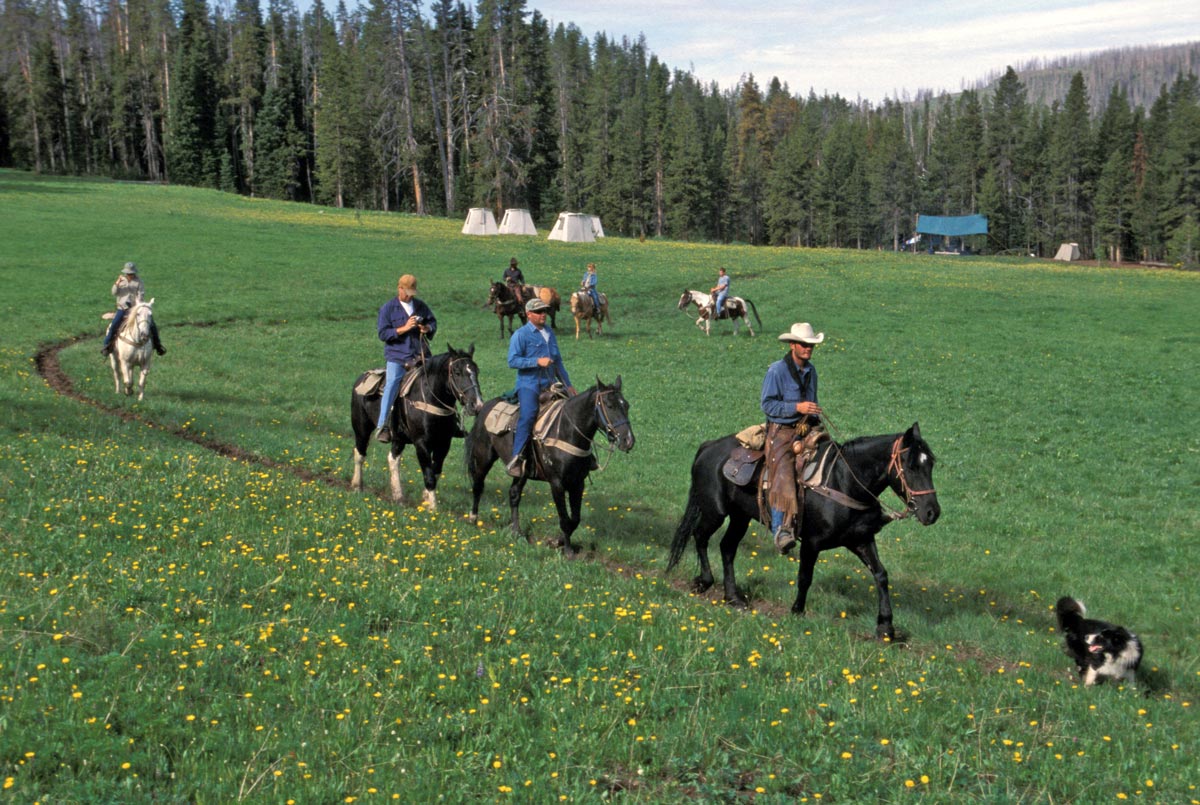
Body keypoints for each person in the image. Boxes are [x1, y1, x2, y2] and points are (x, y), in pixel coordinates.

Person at [761, 322, 826, 554]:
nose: (808, 348)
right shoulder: (777, 371)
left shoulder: (812, 371)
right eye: (803, 344)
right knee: (785, 469)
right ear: (792, 345)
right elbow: (767, 405)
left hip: (805, 428)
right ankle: (781, 530)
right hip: (781, 432)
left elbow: (811, 400)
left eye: (811, 345)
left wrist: (811, 412)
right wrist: (798, 407)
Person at [505, 297, 575, 477]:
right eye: (538, 311)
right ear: (529, 315)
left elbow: (558, 362)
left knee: (572, 412)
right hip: (529, 385)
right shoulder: (520, 335)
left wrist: (569, 386)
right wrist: (536, 361)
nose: (543, 314)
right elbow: (512, 361)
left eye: (544, 311)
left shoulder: (549, 332)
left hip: (551, 385)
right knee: (528, 416)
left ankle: (579, 456)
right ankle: (517, 457)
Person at [375, 274, 437, 443]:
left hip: (420, 354)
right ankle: (383, 425)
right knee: (393, 382)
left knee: (438, 379)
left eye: (412, 293)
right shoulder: (388, 308)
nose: (410, 296)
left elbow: (433, 322)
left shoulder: (420, 306)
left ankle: (450, 421)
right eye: (407, 292)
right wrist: (403, 328)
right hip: (398, 356)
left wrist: (427, 328)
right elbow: (383, 333)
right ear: (399, 288)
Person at [101, 262, 165, 357]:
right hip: (122, 308)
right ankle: (107, 345)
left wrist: (137, 305)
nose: (130, 275)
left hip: (135, 308)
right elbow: (114, 293)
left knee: (152, 324)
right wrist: (117, 283)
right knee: (115, 324)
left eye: (131, 273)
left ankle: (158, 345)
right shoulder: (120, 281)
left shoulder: (139, 282)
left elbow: (141, 295)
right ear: (125, 273)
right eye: (128, 273)